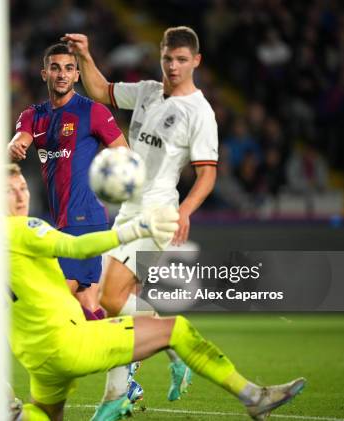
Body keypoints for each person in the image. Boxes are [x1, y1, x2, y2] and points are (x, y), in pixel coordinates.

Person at [6, 163, 305, 421]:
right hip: (67, 343)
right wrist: (133, 230)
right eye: (10, 190)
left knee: (43, 414)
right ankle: (253, 396)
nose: (21, 195)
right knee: (176, 329)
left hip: (37, 355)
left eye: (23, 187)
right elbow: (74, 246)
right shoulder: (19, 229)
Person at [61, 26, 219, 414]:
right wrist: (84, 55)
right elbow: (101, 91)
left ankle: (118, 395)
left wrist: (184, 211)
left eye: (182, 60)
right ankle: (168, 351)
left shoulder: (200, 112)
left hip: (159, 212)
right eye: (168, 58)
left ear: (195, 61)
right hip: (129, 211)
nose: (174, 66)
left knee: (109, 300)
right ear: (160, 56)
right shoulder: (148, 91)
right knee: (110, 303)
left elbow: (208, 173)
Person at [8, 43, 129, 321]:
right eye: (55, 68)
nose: (62, 74)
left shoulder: (93, 112)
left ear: (76, 75)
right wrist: (13, 147)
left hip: (86, 216)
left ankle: (125, 349)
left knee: (56, 297)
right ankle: (127, 352)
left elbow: (125, 157)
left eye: (69, 68)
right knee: (86, 302)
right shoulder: (32, 116)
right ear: (44, 74)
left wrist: (111, 176)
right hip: (60, 219)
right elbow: (19, 141)